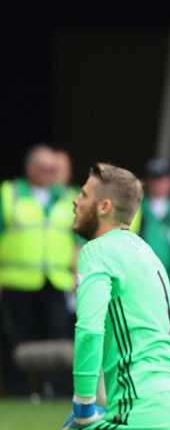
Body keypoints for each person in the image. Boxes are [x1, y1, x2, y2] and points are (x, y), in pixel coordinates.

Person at [63, 163, 170, 429]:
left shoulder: (97, 251)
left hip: (138, 414)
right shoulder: (147, 254)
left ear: (104, 206)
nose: (75, 200)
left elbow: (89, 330)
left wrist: (83, 407)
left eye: (84, 195)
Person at [0, 145, 77, 396]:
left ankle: (57, 392)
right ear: (30, 169)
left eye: (56, 169)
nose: (52, 174)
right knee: (17, 341)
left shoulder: (68, 197)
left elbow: (78, 242)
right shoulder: (8, 194)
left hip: (57, 282)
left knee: (59, 338)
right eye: (46, 169)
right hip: (17, 282)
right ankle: (19, 393)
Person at [130, 158, 170, 292]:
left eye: (163, 179)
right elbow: (129, 239)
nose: (159, 184)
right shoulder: (138, 207)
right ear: (147, 182)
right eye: (154, 179)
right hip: (142, 278)